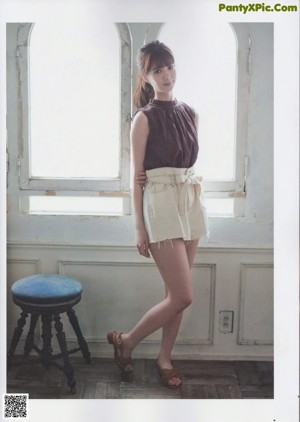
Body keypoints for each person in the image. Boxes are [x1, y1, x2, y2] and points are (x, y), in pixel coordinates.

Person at [107, 40, 208, 389]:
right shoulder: (143, 118)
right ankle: (128, 340)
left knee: (174, 294)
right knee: (183, 295)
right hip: (160, 203)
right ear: (145, 76)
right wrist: (139, 228)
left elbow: (188, 162)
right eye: (157, 70)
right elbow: (137, 179)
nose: (166, 75)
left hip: (189, 201)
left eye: (170, 67)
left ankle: (164, 357)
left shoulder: (191, 112)